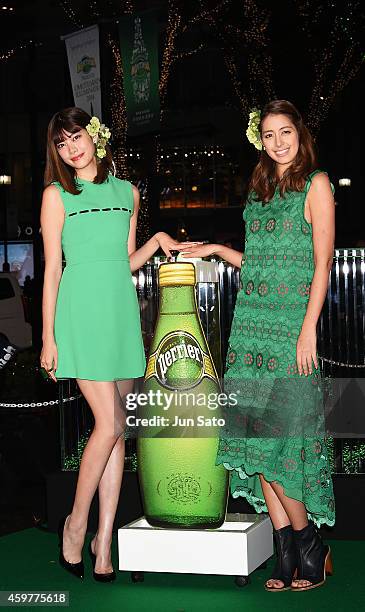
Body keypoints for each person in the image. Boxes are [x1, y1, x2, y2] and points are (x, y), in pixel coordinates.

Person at [182, 100, 335, 592]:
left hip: (291, 330)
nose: (278, 142)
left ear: (299, 134)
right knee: (258, 441)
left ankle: (311, 543)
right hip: (250, 329)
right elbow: (262, 262)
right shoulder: (260, 190)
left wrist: (309, 326)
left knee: (282, 440)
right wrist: (216, 250)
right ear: (260, 141)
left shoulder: (318, 184)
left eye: (285, 132)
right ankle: (287, 552)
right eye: (268, 135)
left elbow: (322, 263)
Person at [40, 107, 191, 581]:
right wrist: (47, 334)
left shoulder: (128, 192)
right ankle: (74, 524)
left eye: (76, 136)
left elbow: (126, 262)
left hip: (121, 313)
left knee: (118, 428)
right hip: (80, 313)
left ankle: (104, 544)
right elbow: (52, 269)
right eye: (61, 144)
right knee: (107, 423)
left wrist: (158, 239)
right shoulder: (55, 195)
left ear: (94, 136)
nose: (71, 148)